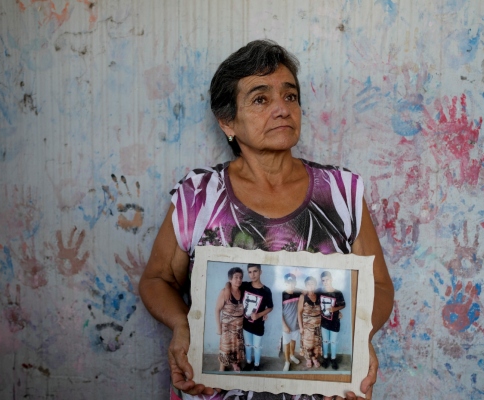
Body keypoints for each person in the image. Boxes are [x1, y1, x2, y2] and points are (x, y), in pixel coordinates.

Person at [140, 39, 394, 400]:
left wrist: (359, 337)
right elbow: (157, 279)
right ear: (228, 121)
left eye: (290, 96)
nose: (282, 109)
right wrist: (184, 326)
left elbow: (379, 287)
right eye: (261, 99)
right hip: (214, 387)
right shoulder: (198, 195)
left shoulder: (340, 191)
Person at [238, 264, 273, 371]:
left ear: (260, 272)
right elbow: (230, 284)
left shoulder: (266, 290)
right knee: (247, 345)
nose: (252, 275)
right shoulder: (244, 286)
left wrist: (260, 314)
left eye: (255, 271)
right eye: (250, 272)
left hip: (258, 325)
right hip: (245, 323)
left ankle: (257, 365)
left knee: (257, 346)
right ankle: (248, 363)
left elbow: (270, 307)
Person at [214, 267, 245, 372]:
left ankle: (235, 364)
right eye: (236, 277)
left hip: (238, 329)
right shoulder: (224, 292)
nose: (239, 280)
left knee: (237, 349)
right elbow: (217, 310)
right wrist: (218, 328)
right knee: (226, 350)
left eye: (240, 277)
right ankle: (221, 370)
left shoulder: (242, 291)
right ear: (230, 279)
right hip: (227, 329)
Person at [318, 271, 346, 370]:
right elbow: (316, 304)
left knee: (333, 342)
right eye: (323, 280)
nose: (326, 282)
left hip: (334, 321)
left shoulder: (337, 292)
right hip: (324, 321)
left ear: (331, 279)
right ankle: (325, 358)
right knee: (325, 341)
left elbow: (343, 304)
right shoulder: (320, 292)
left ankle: (333, 359)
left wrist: (335, 309)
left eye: (327, 279)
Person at [297, 276, 322, 368]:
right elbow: (299, 312)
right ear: (305, 285)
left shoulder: (318, 295)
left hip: (317, 326)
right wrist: (300, 327)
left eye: (312, 283)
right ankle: (308, 359)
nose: (310, 285)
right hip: (307, 327)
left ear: (315, 285)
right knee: (308, 344)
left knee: (316, 344)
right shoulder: (303, 296)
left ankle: (314, 358)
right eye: (308, 284)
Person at [280, 273, 302, 371]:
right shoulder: (282, 295)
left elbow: (306, 292)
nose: (291, 285)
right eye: (289, 283)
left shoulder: (298, 293)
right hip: (286, 326)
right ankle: (287, 361)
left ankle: (292, 356)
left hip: (296, 324)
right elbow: (279, 313)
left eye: (293, 282)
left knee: (293, 341)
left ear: (295, 283)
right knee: (286, 344)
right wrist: (284, 325)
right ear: (285, 283)